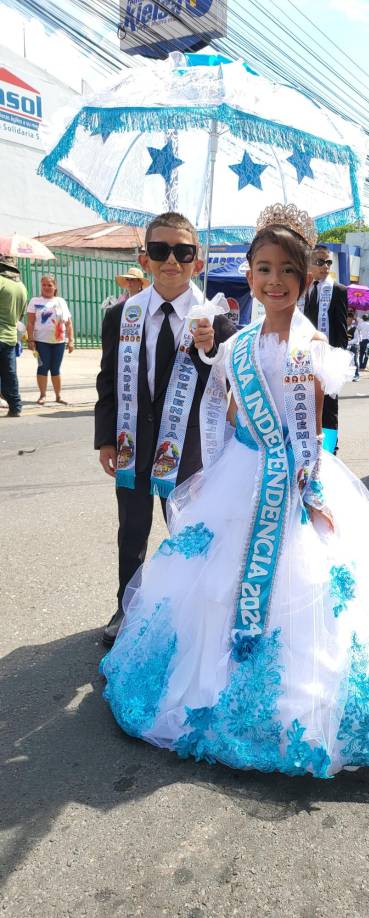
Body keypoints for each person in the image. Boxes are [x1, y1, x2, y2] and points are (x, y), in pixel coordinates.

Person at [100, 203, 369, 778]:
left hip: (292, 476)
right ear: (248, 275)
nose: (275, 281)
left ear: (306, 276)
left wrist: (311, 492)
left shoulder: (311, 345)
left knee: (305, 586)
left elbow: (312, 428)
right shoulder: (237, 340)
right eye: (264, 269)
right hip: (242, 471)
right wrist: (206, 349)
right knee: (212, 579)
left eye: (288, 271)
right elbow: (222, 405)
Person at [95, 211, 235, 647]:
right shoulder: (123, 316)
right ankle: (127, 607)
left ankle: (188, 611)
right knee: (132, 532)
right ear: (145, 258)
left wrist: (213, 347)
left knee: (188, 534)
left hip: (189, 448)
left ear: (198, 260)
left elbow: (231, 382)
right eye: (160, 250)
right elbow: (107, 379)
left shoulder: (216, 318)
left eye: (182, 251)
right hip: (131, 441)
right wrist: (103, 438)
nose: (171, 260)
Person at [303, 243, 348, 453]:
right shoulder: (303, 290)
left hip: (327, 356)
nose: (325, 266)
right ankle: (307, 442)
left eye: (328, 262)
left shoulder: (338, 290)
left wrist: (336, 359)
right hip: (303, 356)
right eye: (320, 261)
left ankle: (329, 448)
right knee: (305, 401)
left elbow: (341, 329)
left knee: (329, 406)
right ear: (309, 264)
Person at [26, 275, 74, 405]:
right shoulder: (35, 301)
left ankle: (58, 396)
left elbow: (68, 323)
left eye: (50, 285)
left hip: (59, 341)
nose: (47, 287)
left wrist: (71, 340)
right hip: (41, 341)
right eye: (44, 285)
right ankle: (42, 395)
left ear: (55, 287)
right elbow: (30, 323)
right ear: (41, 286)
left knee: (55, 368)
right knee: (43, 367)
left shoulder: (61, 301)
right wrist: (30, 340)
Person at [0, 255, 27, 417]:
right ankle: (15, 406)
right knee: (9, 375)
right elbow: (20, 316)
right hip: (10, 337)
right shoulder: (22, 287)